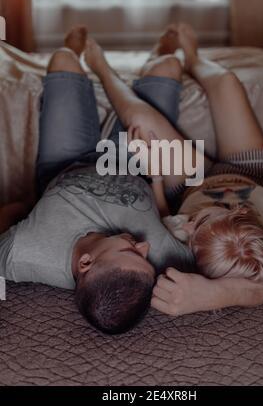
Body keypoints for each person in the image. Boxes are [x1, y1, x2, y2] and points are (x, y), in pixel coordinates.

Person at [84, 23, 263, 317]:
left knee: (141, 121)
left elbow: (165, 216)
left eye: (190, 236)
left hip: (191, 183)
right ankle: (192, 57)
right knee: (227, 82)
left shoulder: (196, 247)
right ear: (239, 212)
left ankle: (101, 67)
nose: (187, 225)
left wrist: (155, 177)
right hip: (251, 173)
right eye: (201, 219)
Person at [0, 26, 195, 335]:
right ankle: (156, 54)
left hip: (66, 162)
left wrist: (22, 208)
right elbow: (251, 273)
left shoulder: (25, 254)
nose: (144, 246)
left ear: (86, 264)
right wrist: (155, 173)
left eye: (133, 253)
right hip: (133, 158)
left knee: (63, 59)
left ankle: (77, 48)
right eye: (147, 260)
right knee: (169, 66)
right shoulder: (162, 257)